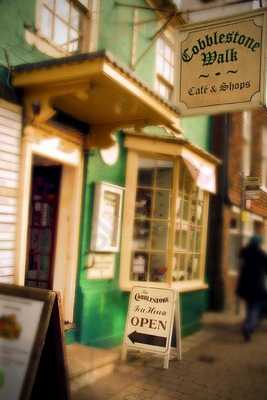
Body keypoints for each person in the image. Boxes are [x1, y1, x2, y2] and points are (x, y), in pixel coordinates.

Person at [236, 234, 267, 342]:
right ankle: (248, 328)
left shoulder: (244, 252)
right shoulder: (261, 254)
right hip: (257, 286)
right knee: (255, 308)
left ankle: (248, 324)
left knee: (250, 307)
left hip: (245, 286)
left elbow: (240, 264)